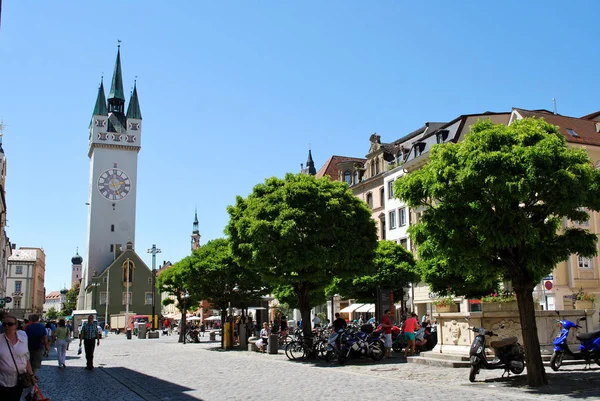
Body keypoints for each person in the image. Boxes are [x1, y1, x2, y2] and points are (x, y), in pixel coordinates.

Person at [0, 314, 37, 400]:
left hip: (19, 381)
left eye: (10, 324)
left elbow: (26, 358)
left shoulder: (23, 337)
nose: (7, 326)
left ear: (16, 325)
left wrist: (31, 375)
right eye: (4, 324)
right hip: (2, 382)